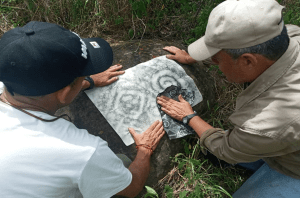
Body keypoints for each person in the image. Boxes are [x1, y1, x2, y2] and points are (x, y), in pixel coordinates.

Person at [0, 21, 165, 198]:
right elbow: (131, 188)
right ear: (64, 93)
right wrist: (144, 149)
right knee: (121, 164)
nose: (88, 76)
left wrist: (86, 81)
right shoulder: (84, 152)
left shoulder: (11, 80)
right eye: (84, 75)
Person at [157, 0, 300, 196]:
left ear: (248, 60)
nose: (214, 62)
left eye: (217, 58)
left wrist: (190, 117)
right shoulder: (287, 35)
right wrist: (196, 56)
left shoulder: (267, 122)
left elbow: (225, 148)